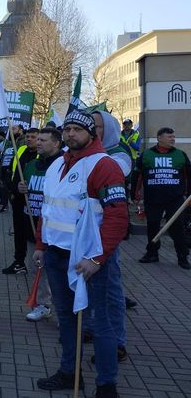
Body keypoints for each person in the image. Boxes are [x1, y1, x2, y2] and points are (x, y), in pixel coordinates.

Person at [33, 110, 128, 397]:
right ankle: (69, 372)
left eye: (78, 129)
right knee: (66, 318)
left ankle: (106, 384)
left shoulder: (103, 165)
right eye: (68, 128)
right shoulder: (56, 165)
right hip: (56, 254)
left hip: (88, 259)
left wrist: (97, 258)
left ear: (92, 134)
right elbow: (47, 209)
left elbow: (117, 217)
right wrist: (40, 244)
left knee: (101, 322)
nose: (71, 133)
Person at [89, 110, 132, 361]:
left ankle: (117, 341)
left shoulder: (118, 154)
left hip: (105, 232)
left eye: (98, 126)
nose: (93, 131)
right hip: (84, 231)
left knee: (110, 290)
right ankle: (92, 329)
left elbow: (117, 170)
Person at [17, 127, 61, 321]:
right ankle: (43, 304)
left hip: (54, 229)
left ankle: (62, 311)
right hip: (32, 224)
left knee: (57, 271)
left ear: (56, 143)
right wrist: (21, 188)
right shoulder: (31, 165)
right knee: (36, 267)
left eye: (44, 140)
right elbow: (23, 187)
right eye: (38, 139)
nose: (39, 143)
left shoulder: (62, 166)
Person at [135, 127, 191, 268]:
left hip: (175, 199)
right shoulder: (147, 155)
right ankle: (152, 253)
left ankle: (182, 256)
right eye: (169, 137)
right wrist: (134, 195)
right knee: (152, 225)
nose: (173, 139)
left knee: (177, 227)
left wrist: (189, 195)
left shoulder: (180, 155)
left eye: (173, 137)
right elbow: (138, 175)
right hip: (153, 198)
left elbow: (189, 176)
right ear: (159, 138)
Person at [3, 127, 39, 275]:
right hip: (18, 199)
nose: (29, 139)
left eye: (33, 137)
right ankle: (19, 262)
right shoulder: (21, 150)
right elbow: (11, 172)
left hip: (33, 202)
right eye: (28, 136)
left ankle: (36, 263)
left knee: (33, 233)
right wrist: (12, 189)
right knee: (19, 232)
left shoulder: (41, 155)